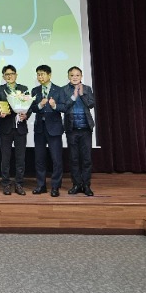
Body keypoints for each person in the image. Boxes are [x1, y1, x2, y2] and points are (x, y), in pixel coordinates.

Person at [55, 66, 96, 196]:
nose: (75, 77)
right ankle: (76, 184)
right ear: (68, 77)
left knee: (86, 159)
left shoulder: (87, 89)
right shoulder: (63, 90)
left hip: (86, 129)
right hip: (71, 129)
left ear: (81, 76)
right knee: (74, 159)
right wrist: (73, 97)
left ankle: (86, 185)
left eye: (77, 75)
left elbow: (91, 104)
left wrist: (82, 94)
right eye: (72, 75)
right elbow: (63, 107)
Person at [28, 64, 64, 197]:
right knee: (39, 158)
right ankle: (41, 185)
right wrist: (40, 104)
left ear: (49, 75)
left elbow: (64, 107)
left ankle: (55, 186)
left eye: (42, 74)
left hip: (54, 128)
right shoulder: (35, 90)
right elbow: (32, 108)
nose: (40, 77)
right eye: (38, 74)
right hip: (39, 128)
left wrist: (54, 106)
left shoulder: (59, 90)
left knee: (56, 159)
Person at [0, 64, 29, 195]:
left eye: (12, 74)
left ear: (16, 75)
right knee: (5, 158)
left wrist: (26, 115)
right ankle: (6, 184)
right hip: (6, 128)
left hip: (21, 128)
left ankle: (19, 184)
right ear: (3, 76)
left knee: (20, 158)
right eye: (7, 74)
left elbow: (29, 106)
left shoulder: (23, 89)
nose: (9, 76)